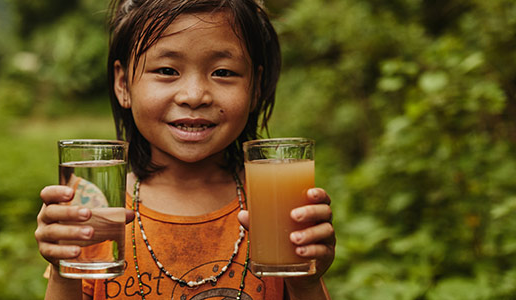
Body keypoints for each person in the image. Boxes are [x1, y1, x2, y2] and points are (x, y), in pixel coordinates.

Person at [35, 0, 336, 299]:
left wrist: (306, 280)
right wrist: (65, 267)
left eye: (223, 72)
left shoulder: (276, 205)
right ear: (123, 83)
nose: (194, 96)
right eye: (167, 70)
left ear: (255, 87)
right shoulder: (98, 209)